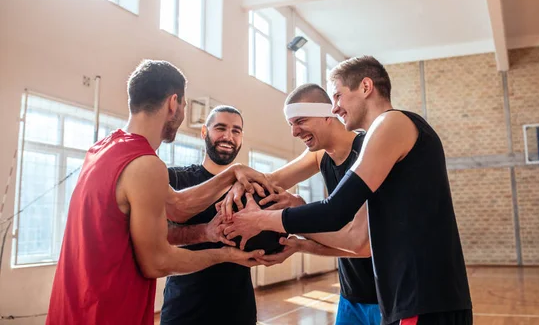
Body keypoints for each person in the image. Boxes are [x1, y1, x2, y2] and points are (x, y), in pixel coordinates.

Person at [224, 56, 473, 325]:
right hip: (413, 297)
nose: (336, 108)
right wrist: (234, 177)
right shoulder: (384, 133)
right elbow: (281, 184)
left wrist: (261, 219)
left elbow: (338, 213)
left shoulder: (392, 124)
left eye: (338, 96)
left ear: (366, 87)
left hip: (421, 296)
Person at [46, 60, 270, 325]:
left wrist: (231, 178)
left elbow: (177, 204)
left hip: (73, 308)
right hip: (107, 312)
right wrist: (227, 255)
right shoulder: (146, 165)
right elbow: (157, 262)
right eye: (185, 106)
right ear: (173, 103)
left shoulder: (102, 149)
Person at [248, 83, 381, 325]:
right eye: (291, 124)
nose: (294, 132)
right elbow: (271, 181)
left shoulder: (369, 150)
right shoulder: (320, 155)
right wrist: (234, 183)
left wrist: (294, 217)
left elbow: (361, 245)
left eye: (300, 121)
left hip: (387, 295)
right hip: (351, 294)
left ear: (327, 114)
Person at [160, 105, 260, 325]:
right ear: (204, 132)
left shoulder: (251, 189)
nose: (228, 136)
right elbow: (158, 235)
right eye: (220, 128)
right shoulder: (176, 180)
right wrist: (205, 233)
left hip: (237, 310)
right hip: (184, 308)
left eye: (236, 131)